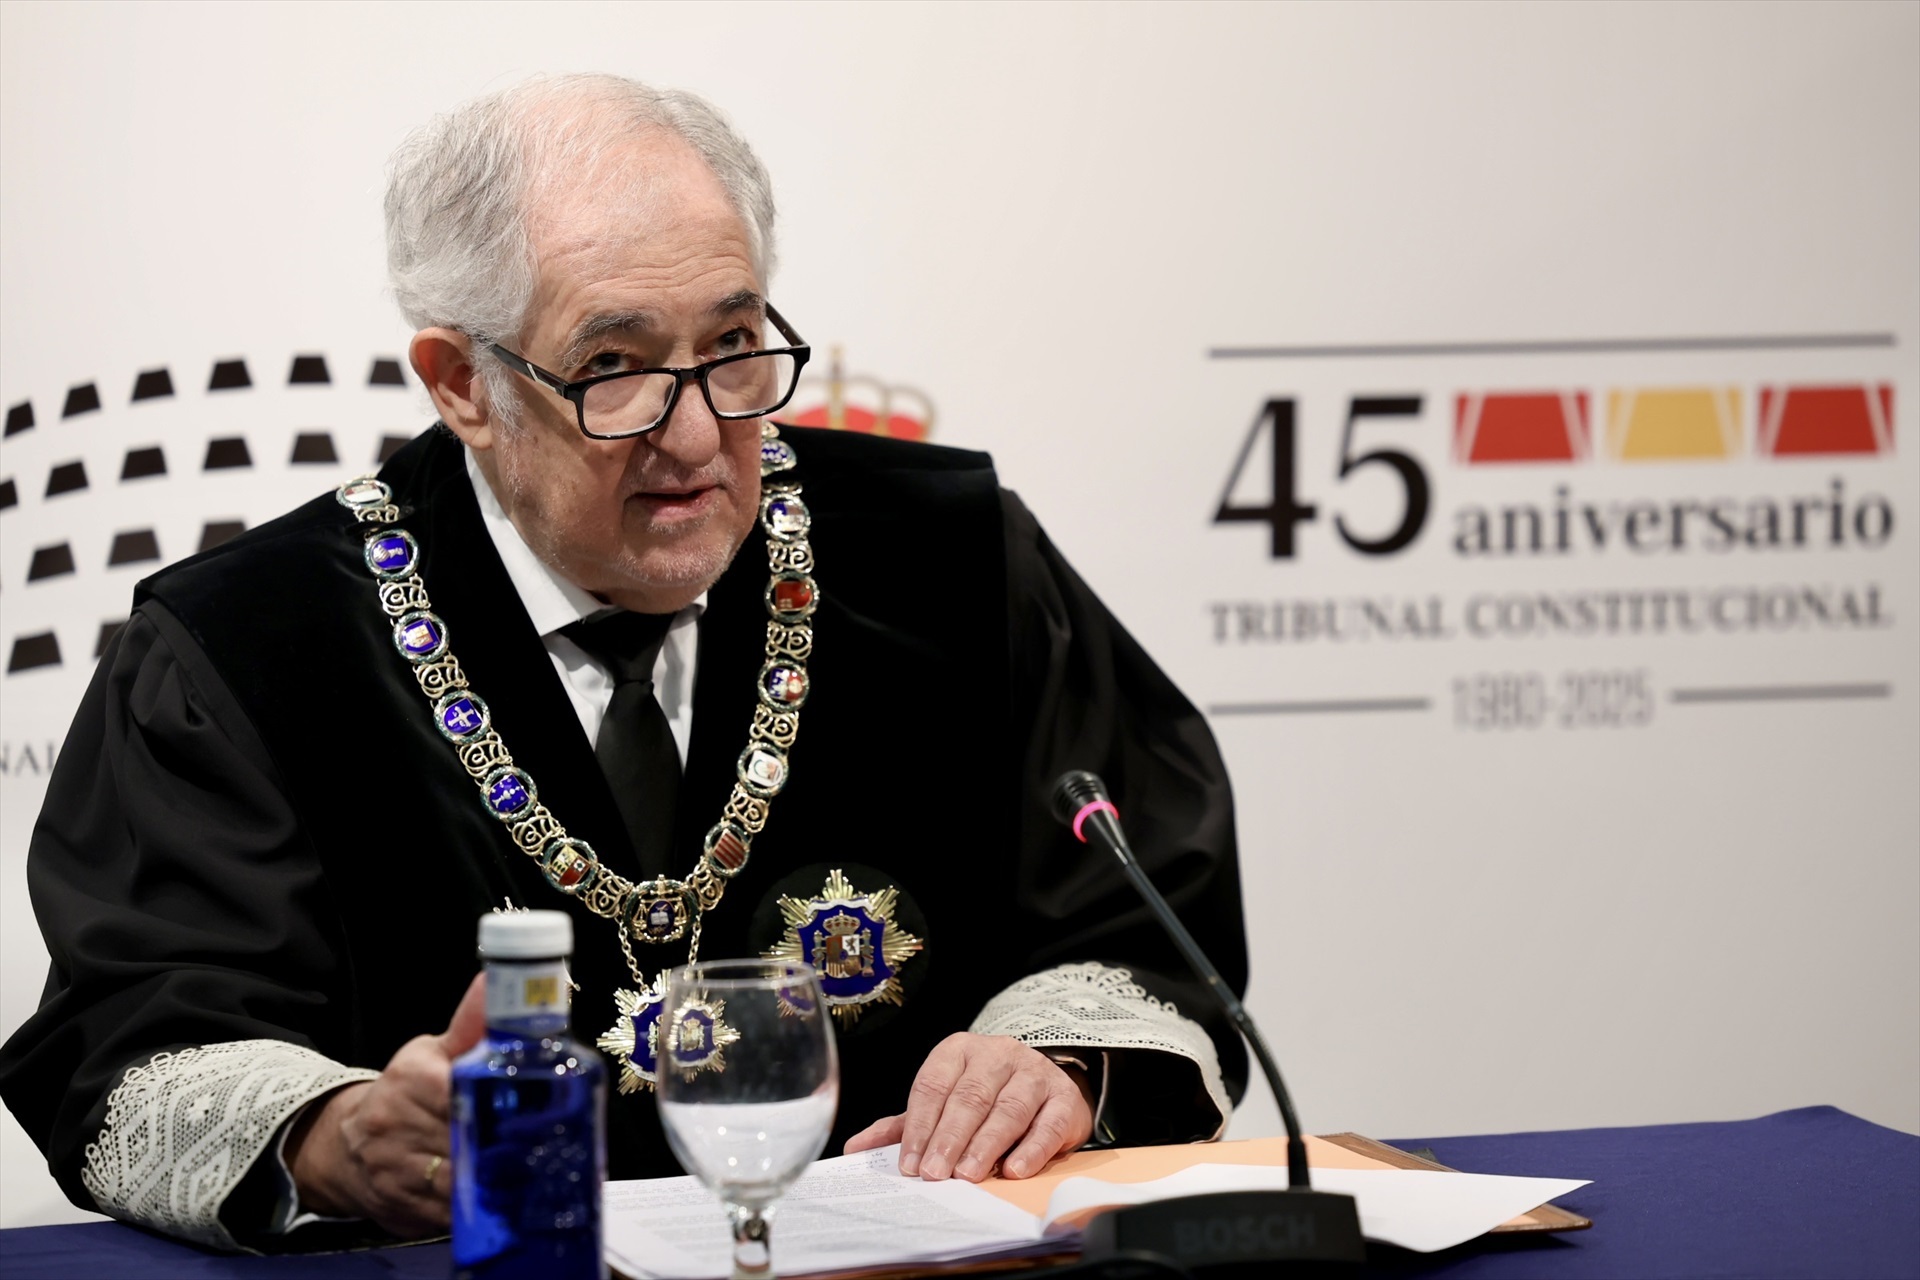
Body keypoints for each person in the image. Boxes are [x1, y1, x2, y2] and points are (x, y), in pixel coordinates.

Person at [0, 74, 1248, 1253]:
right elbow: (140, 1030)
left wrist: (1052, 1060)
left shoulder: (951, 561)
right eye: (614, 367)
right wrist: (334, 1135)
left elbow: (1140, 907)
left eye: (734, 341)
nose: (697, 433)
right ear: (462, 382)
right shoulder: (248, 647)